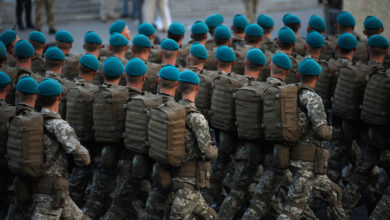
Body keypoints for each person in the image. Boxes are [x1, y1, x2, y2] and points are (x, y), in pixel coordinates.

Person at [277, 58, 332, 220]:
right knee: (293, 209)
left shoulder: (288, 94)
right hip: (307, 161)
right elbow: (322, 132)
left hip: (287, 153)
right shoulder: (312, 98)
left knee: (333, 194)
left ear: (298, 74)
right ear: (318, 77)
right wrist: (334, 132)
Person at [342, 34, 389, 218]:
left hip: (364, 137)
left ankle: (339, 213)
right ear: (386, 51)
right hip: (383, 141)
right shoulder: (384, 77)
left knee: (359, 176)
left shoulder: (359, 73)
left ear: (368, 50)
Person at [30, 78, 90, 219]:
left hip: (34, 184)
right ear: (59, 97)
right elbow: (83, 157)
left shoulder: (31, 121)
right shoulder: (59, 125)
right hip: (51, 191)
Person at [241, 52, 291, 220]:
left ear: (269, 67)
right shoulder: (289, 94)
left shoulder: (258, 90)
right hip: (281, 154)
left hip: (252, 149)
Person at [218, 48, 266, 219]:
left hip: (235, 149)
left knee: (239, 189)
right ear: (262, 68)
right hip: (258, 152)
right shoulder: (264, 92)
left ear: (244, 64)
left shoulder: (236, 88)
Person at [102, 58, 148, 220]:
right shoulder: (147, 103)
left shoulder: (112, 98)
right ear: (143, 78)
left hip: (108, 158)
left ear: (124, 76)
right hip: (134, 164)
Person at [170, 70, 218, 219]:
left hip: (171, 174)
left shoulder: (170, 112)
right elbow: (207, 151)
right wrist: (216, 149)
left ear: (178, 88)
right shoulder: (197, 118)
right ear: (197, 88)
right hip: (189, 180)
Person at [83, 57, 127, 219]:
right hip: (120, 154)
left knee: (95, 195)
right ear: (122, 75)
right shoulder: (126, 97)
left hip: (95, 153)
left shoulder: (92, 94)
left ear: (101, 74)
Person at [141, 65, 180, 220]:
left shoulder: (145, 103)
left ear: (158, 81)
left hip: (143, 163)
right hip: (168, 169)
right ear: (177, 85)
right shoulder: (179, 110)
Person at [67, 54, 100, 207]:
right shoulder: (95, 93)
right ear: (95, 73)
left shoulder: (65, 88)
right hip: (86, 147)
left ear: (78, 68)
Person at [326, 33, 358, 184]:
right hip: (350, 123)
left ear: (337, 47)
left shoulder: (328, 67)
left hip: (331, 120)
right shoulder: (355, 73)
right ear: (355, 49)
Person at [5, 76, 38, 220]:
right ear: (36, 96)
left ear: (16, 94)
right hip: (26, 178)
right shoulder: (39, 120)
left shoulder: (8, 114)